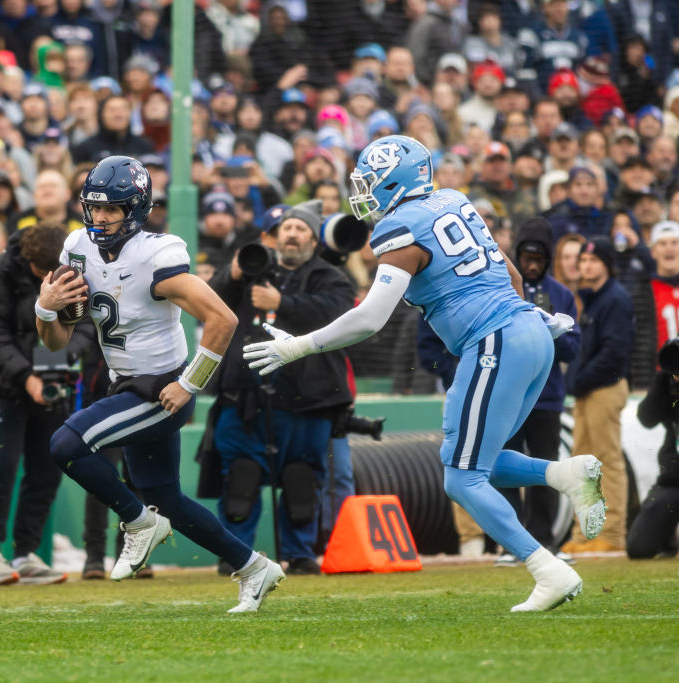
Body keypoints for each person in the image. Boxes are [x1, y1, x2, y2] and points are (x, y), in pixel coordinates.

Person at [244, 135, 607, 612]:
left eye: (372, 182)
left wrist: (299, 345)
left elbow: (370, 319)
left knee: (461, 479)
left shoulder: (399, 227)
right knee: (469, 458)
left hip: (494, 341)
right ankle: (566, 473)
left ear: (396, 179)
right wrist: (521, 318)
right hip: (529, 332)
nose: (367, 193)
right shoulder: (453, 200)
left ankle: (548, 570)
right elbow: (513, 277)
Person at [39, 155, 285, 613]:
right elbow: (55, 341)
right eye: (94, 207)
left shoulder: (158, 253)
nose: (100, 217)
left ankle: (137, 524)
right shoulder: (77, 247)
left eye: (112, 208)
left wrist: (190, 385)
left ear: (137, 209)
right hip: (124, 384)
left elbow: (222, 319)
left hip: (162, 388)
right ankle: (253, 567)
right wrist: (44, 309)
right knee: (164, 497)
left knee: (65, 444)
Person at [208, 201, 355, 575]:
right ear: (275, 236)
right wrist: (234, 272)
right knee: (240, 474)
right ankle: (235, 553)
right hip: (245, 397)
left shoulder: (331, 276)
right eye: (286, 227)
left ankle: (300, 553)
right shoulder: (255, 269)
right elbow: (209, 298)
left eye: (301, 228)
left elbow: (338, 316)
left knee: (302, 478)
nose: (292, 234)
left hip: (307, 400)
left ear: (314, 238)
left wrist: (282, 302)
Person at [0, 224, 87, 587]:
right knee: (1, 468)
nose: (48, 279)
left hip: (52, 384)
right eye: (41, 273)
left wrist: (61, 359)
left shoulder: (74, 270)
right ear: (28, 260)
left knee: (46, 470)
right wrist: (27, 377)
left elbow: (86, 324)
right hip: (4, 387)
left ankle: (27, 552)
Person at [497, 217, 581, 562]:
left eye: (538, 259)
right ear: (517, 255)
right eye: (526, 257)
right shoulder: (500, 288)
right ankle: (511, 542)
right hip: (507, 396)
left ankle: (545, 541)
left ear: (549, 261)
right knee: (503, 467)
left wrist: (550, 332)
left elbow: (573, 348)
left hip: (546, 398)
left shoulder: (561, 295)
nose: (531, 265)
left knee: (545, 469)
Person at [560, 236, 634, 554]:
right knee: (582, 464)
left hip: (604, 389)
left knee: (606, 462)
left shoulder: (615, 298)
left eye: (593, 261)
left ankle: (612, 533)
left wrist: (580, 380)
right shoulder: (590, 298)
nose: (586, 266)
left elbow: (614, 353)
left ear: (606, 265)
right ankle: (586, 534)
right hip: (587, 391)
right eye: (584, 261)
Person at [628, 340, 679, 558]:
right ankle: (667, 538)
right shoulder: (668, 382)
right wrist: (663, 380)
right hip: (673, 480)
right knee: (638, 548)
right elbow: (646, 418)